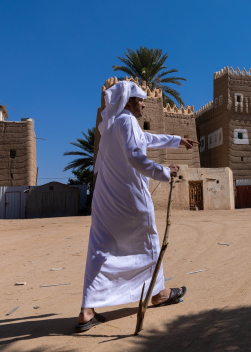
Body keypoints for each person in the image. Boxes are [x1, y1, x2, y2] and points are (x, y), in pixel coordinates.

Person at [75, 81, 198, 332]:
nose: (144, 103)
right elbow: (135, 157)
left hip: (104, 200)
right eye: (140, 99)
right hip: (128, 199)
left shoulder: (110, 126)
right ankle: (160, 293)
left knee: (101, 249)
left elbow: (147, 138)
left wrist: (176, 140)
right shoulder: (127, 121)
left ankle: (87, 310)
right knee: (149, 243)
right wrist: (165, 171)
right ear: (129, 101)